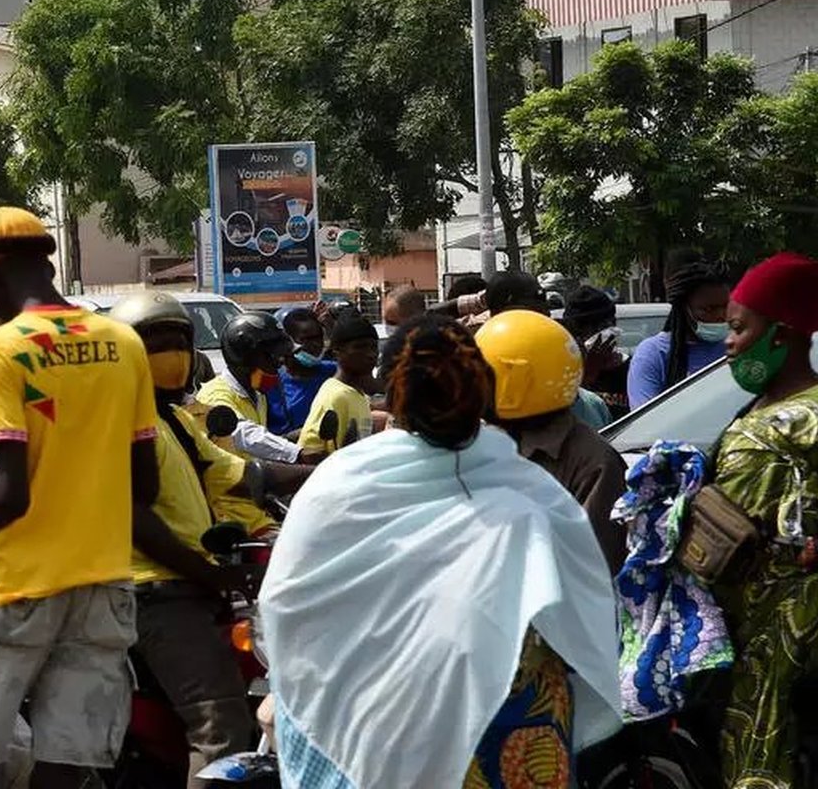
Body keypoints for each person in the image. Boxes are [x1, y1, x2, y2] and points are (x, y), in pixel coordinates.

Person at [259, 318, 621, 789]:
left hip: (367, 738)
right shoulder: (531, 500)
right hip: (506, 744)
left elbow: (287, 606)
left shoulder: (336, 487)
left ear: (392, 397)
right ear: (484, 399)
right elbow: (585, 615)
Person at [0, 208, 156, 789]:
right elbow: (144, 487)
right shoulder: (123, 343)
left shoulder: (2, 350)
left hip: (17, 586)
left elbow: (9, 496)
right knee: (66, 765)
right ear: (47, 263)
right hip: (103, 584)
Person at [707, 253, 818, 789]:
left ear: (781, 332)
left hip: (799, 629)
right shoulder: (755, 409)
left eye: (739, 327)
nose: (729, 342)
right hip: (743, 627)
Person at [110, 293, 260, 787]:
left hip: (189, 587)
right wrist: (210, 574)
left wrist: (326, 473)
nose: (172, 353)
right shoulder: (122, 421)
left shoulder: (172, 418)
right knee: (222, 728)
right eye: (157, 343)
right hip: (159, 593)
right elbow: (134, 519)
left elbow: (239, 475)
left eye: (180, 340)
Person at [475, 310, 630, 573]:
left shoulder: (593, 463)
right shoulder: (481, 445)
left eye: (482, 374)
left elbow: (587, 569)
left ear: (518, 382)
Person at [628, 253, 731, 408]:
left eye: (725, 306)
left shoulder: (738, 348)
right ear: (684, 309)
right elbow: (646, 424)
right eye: (709, 309)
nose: (721, 316)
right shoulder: (653, 354)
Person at [193, 312, 295, 455]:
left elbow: (259, 440)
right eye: (272, 358)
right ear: (245, 358)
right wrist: (296, 453)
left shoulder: (257, 393)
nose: (279, 365)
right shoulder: (215, 395)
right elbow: (241, 432)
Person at [298, 317, 377, 458]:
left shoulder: (358, 395)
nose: (371, 354)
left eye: (373, 347)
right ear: (337, 353)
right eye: (360, 347)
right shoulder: (335, 395)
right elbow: (310, 453)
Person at [276, 309, 336, 435]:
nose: (316, 344)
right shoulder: (273, 383)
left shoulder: (333, 371)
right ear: (288, 341)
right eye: (306, 339)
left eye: (319, 337)